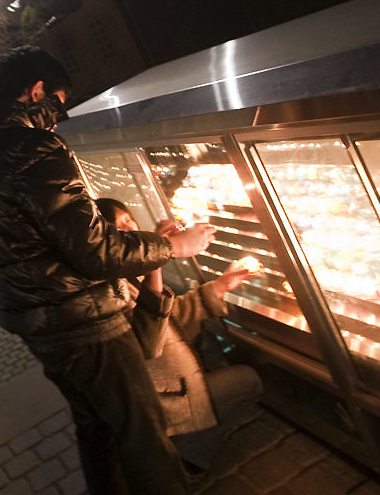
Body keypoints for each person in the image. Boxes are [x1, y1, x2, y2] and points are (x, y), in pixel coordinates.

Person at [0, 46, 217, 495]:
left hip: (36, 324)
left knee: (96, 426)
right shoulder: (28, 146)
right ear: (37, 92)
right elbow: (95, 251)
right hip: (85, 322)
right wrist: (173, 246)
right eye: (58, 106)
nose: (56, 121)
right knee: (144, 435)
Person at [96, 198, 263, 477]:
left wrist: (221, 285)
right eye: (116, 228)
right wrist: (157, 260)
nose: (128, 228)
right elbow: (150, 341)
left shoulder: (126, 274)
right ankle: (185, 455)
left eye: (127, 219)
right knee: (249, 381)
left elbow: (171, 318)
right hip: (161, 400)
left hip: (164, 390)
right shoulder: (114, 287)